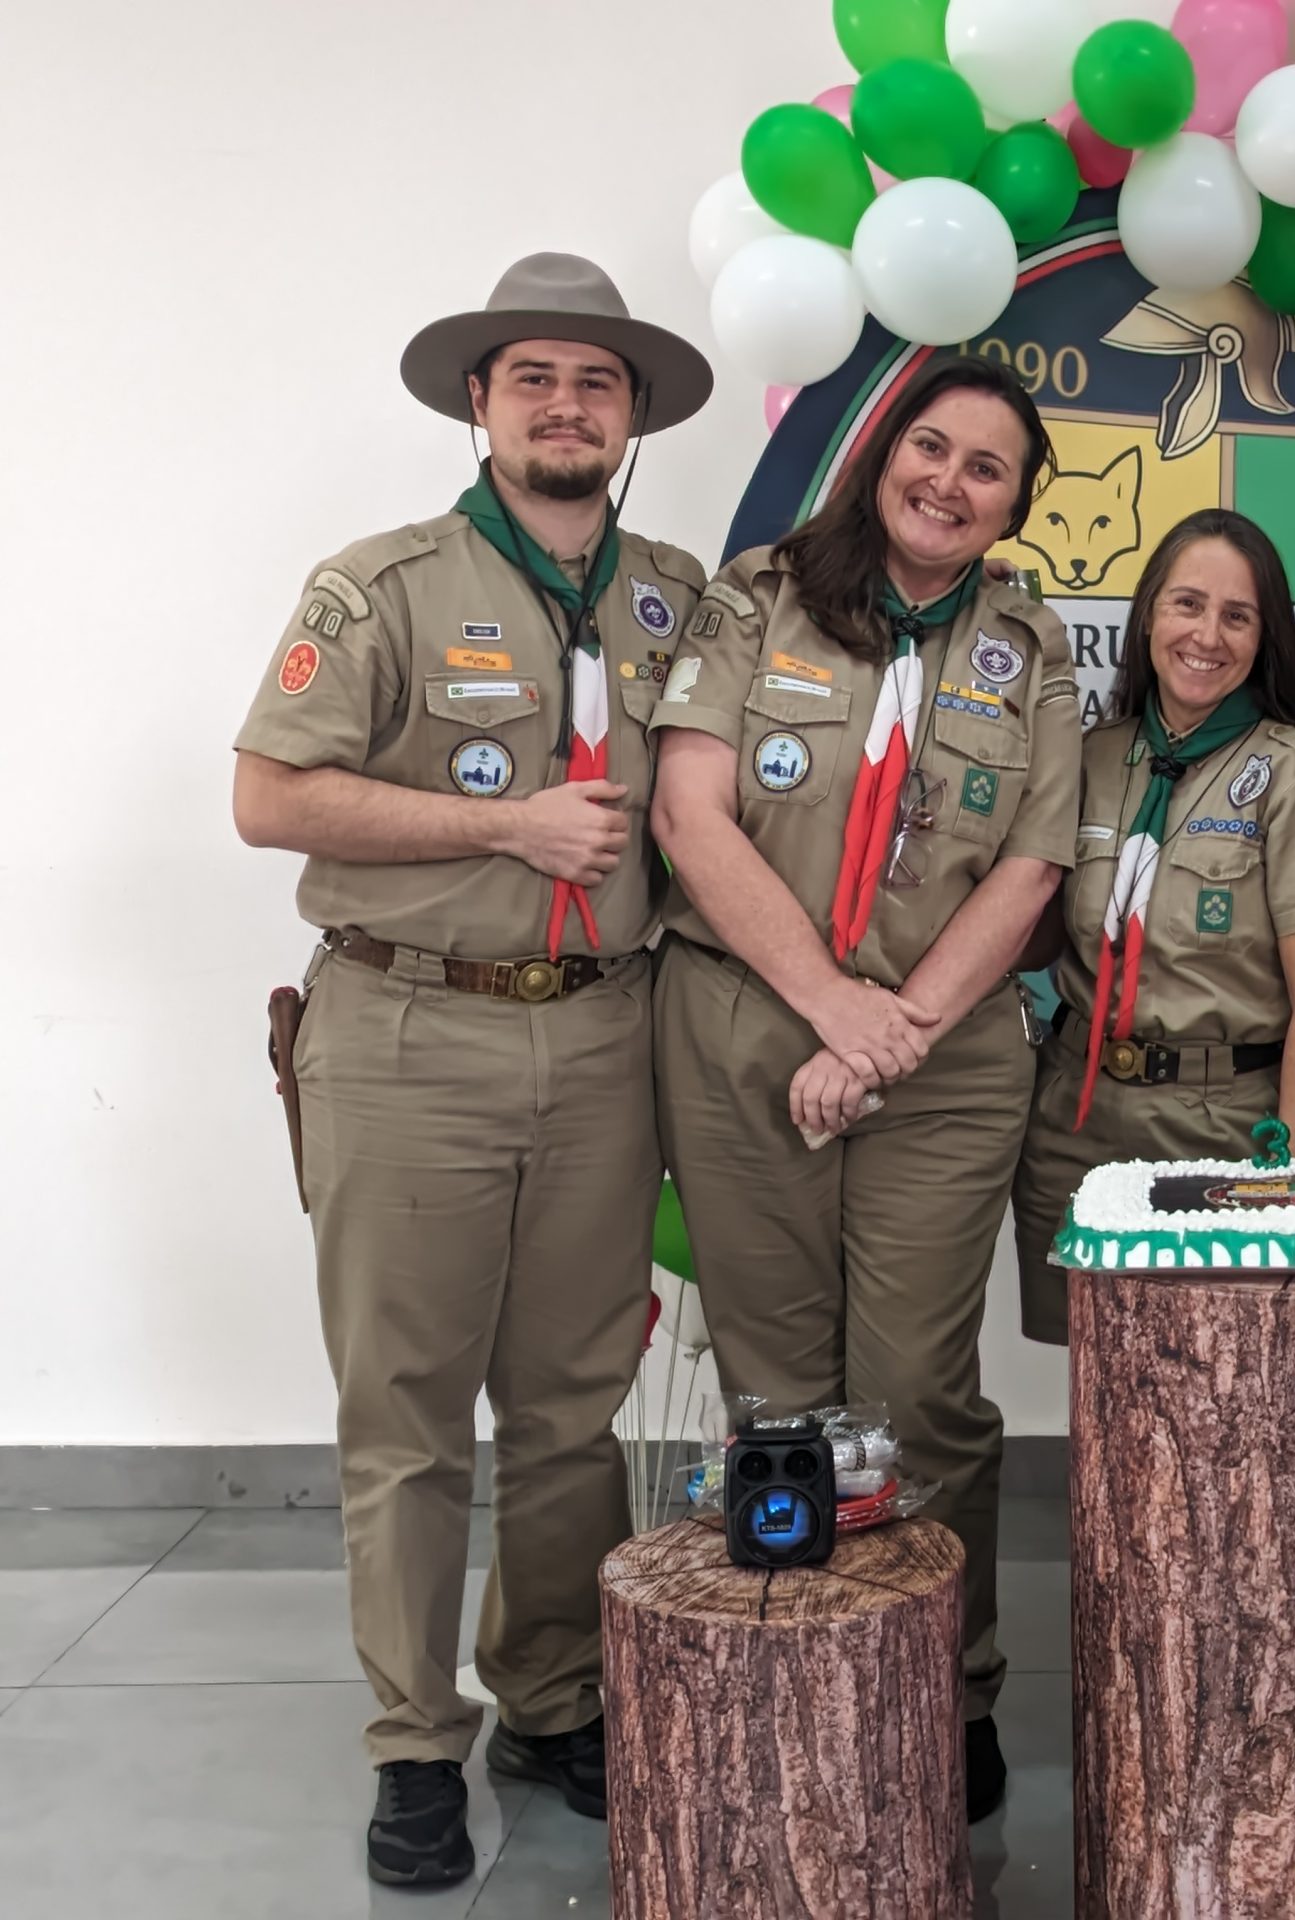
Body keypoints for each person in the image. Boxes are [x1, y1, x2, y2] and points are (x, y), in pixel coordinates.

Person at [231, 253, 712, 1887]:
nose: (567, 405)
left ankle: (553, 1699)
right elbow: (270, 796)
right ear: (480, 403)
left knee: (577, 1413)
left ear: (633, 414)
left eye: (598, 381)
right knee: (412, 1417)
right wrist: (503, 822)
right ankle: (413, 1742)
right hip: (408, 1030)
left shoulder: (679, 597)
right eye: (535, 379)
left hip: (602, 1034)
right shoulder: (383, 585)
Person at [649, 356, 1077, 1823]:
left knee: (914, 1392)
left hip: (942, 1061)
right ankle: (796, 1671)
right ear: (883, 451)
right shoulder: (755, 594)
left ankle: (940, 1690)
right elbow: (687, 812)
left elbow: (1030, 867)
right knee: (780, 1387)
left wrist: (888, 1033)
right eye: (932, 449)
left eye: (987, 470)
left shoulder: (1037, 648)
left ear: (1017, 504)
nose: (949, 484)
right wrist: (831, 1011)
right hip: (742, 1029)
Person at [1011, 508, 1295, 1342]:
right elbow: (1036, 927)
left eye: (1237, 616)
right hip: (1078, 1119)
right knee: (1097, 1384)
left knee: (1219, 1393)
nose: (1208, 634)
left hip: (1222, 1133)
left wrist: (1294, 1179)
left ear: (1263, 637)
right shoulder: (1092, 760)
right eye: (1187, 605)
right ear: (1148, 617)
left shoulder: (1293, 776)